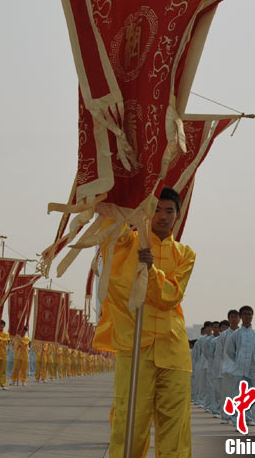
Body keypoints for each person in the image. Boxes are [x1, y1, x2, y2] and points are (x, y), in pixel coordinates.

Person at [92, 187, 196, 458]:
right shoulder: (129, 242)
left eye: (169, 211)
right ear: (147, 213)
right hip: (135, 344)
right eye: (157, 210)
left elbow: (171, 295)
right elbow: (109, 229)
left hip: (173, 349)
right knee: (130, 422)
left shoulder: (185, 254)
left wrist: (151, 269)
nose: (162, 216)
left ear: (177, 215)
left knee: (175, 426)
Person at [224, 305, 255, 434]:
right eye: (245, 314)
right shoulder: (235, 334)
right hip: (239, 371)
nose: (247, 316)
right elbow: (230, 351)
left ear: (252, 316)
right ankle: (239, 423)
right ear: (241, 317)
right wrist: (239, 360)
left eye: (249, 314)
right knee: (238, 397)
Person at [218, 312, 240, 425]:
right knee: (227, 393)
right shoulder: (224, 335)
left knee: (241, 394)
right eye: (232, 317)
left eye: (236, 317)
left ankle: (242, 416)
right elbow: (220, 352)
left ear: (239, 318)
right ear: (228, 319)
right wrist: (223, 366)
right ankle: (226, 416)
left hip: (242, 369)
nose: (234, 319)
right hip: (227, 367)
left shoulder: (243, 333)